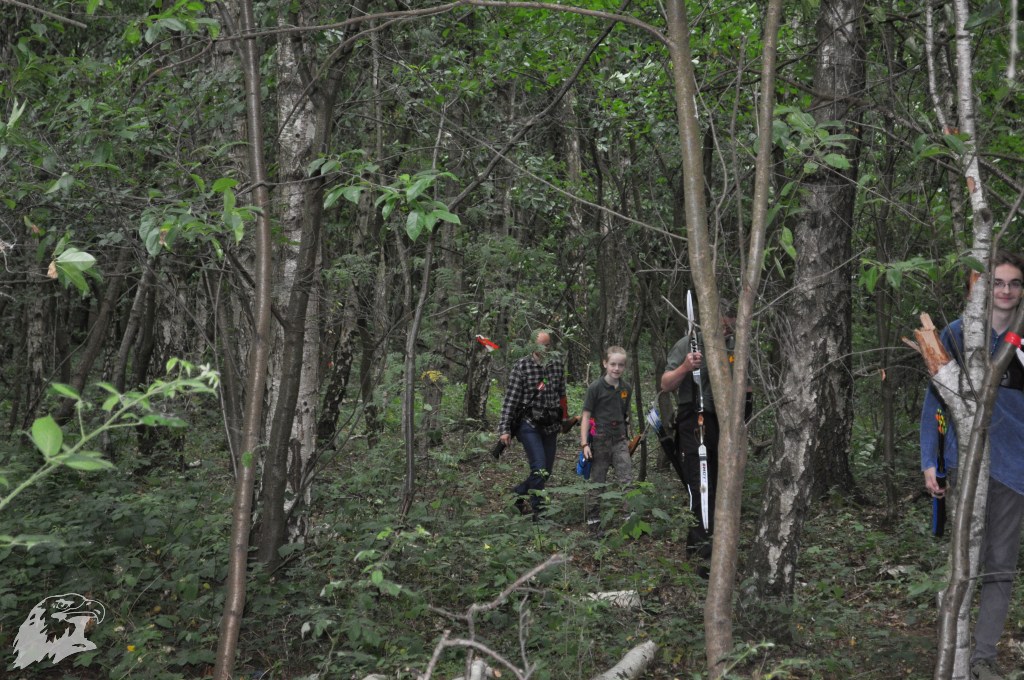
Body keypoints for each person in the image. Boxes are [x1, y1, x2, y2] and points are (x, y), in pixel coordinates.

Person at [920, 251, 1024, 680]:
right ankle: (954, 650)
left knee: (1000, 567)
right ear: (982, 289)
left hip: (1016, 472)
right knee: (964, 565)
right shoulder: (958, 335)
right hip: (967, 465)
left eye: (1014, 283)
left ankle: (983, 658)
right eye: (996, 283)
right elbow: (934, 402)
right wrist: (930, 459)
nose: (1005, 291)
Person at [660, 305, 751, 560]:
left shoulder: (736, 347)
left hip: (726, 425)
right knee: (701, 485)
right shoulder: (689, 343)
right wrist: (685, 368)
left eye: (731, 318)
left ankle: (708, 548)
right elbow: (665, 384)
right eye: (722, 316)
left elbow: (747, 389)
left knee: (721, 485)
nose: (726, 323)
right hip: (694, 420)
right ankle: (703, 555)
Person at [498, 329, 568, 518]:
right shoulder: (521, 366)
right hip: (529, 425)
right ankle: (539, 511)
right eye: (540, 345)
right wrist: (504, 429)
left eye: (547, 345)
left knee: (546, 472)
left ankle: (518, 495)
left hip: (551, 424)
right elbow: (510, 400)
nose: (544, 349)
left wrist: (564, 420)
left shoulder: (556, 365)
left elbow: (562, 394)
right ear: (532, 345)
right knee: (539, 467)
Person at [580, 346, 633, 532]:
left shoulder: (626, 388)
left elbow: (625, 414)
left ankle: (630, 520)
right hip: (600, 439)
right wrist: (585, 444)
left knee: (626, 478)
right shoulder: (595, 387)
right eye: (613, 364)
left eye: (620, 365)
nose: (616, 368)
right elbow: (586, 416)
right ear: (605, 364)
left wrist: (627, 438)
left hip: (619, 439)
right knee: (598, 481)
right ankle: (593, 522)